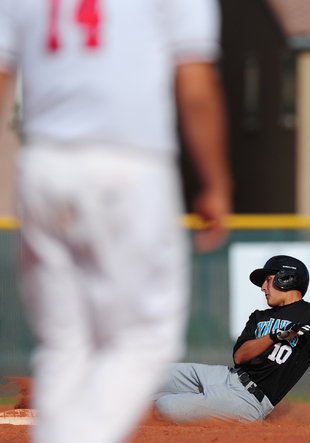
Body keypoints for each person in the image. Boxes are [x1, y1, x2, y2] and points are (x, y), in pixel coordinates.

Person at [0, 1, 232, 443]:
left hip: (42, 167)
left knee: (63, 342)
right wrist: (216, 183)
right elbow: (196, 84)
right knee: (144, 341)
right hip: (129, 164)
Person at [152, 255, 310, 424]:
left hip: (248, 402)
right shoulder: (259, 317)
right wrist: (275, 336)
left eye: (268, 281)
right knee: (152, 375)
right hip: (226, 376)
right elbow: (240, 356)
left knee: (166, 406)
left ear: (287, 279)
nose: (263, 288)